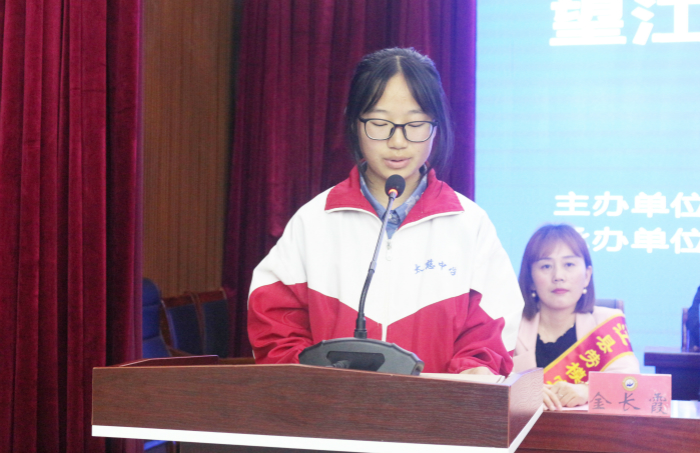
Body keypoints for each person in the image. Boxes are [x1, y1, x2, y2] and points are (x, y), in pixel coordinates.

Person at [247, 48, 523, 375]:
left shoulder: (469, 224)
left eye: (415, 124)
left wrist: (471, 374)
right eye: (380, 123)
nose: (398, 142)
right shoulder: (314, 221)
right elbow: (274, 324)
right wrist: (312, 380)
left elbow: (493, 327)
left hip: (439, 405)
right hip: (331, 406)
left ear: (436, 125)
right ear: (354, 123)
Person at [513, 224, 640, 410]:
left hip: (589, 427)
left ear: (587, 275)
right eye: (546, 266)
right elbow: (490, 382)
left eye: (569, 265)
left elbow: (631, 383)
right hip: (525, 427)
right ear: (530, 279)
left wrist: (588, 391)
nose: (558, 276)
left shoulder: (606, 323)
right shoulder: (510, 328)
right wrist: (523, 392)